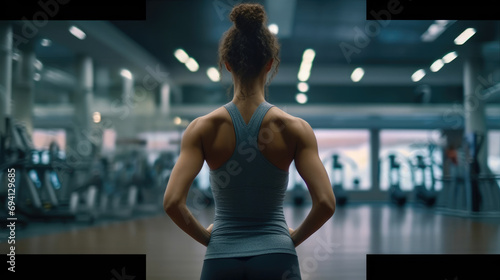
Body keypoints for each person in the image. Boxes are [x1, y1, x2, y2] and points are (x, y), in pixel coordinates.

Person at [163, 3, 336, 279]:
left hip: (221, 259)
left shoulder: (201, 128)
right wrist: (289, 239)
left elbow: (172, 202)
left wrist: (210, 239)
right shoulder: (295, 128)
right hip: (277, 258)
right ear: (269, 64)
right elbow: (326, 203)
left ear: (227, 64)